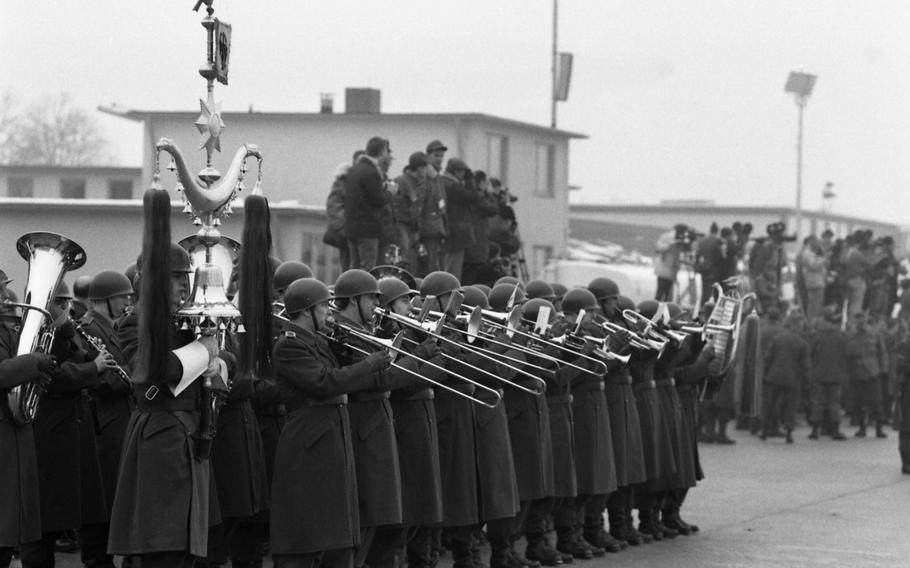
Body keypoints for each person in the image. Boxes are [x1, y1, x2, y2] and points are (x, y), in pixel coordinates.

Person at [107, 187, 223, 568]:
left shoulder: (186, 319)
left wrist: (218, 361)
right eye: (174, 278)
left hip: (190, 434)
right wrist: (203, 351)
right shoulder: (133, 323)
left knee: (185, 546)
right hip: (159, 432)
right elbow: (151, 375)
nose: (182, 285)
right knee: (160, 544)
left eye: (184, 277)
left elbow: (227, 362)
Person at [269, 277, 392, 568]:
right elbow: (325, 382)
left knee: (337, 533)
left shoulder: (317, 341)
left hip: (330, 436)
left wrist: (353, 347)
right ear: (307, 309)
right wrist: (370, 363)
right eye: (324, 306)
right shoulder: (289, 345)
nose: (330, 312)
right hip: (310, 439)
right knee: (310, 531)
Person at [0, 268, 57, 568]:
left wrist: (37, 376)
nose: (6, 298)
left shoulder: (7, 330)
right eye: (0, 292)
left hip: (15, 436)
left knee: (10, 533)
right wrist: (34, 362)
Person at [79, 270, 136, 567]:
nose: (128, 300)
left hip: (119, 422)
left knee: (115, 501)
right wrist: (129, 379)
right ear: (106, 299)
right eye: (122, 296)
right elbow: (105, 378)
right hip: (105, 425)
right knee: (101, 505)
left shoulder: (109, 327)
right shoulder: (89, 328)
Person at [760, 313, 810, 444]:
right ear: (798, 326)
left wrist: (765, 374)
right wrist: (804, 379)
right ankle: (789, 432)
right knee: (790, 405)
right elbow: (805, 365)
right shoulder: (802, 342)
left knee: (770, 403)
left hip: (774, 376)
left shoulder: (777, 339)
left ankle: (765, 430)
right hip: (792, 378)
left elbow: (768, 358)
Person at [345, 137, 393, 271]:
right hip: (367, 229)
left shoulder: (354, 169)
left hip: (352, 227)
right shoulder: (371, 172)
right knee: (367, 271)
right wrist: (389, 191)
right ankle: (366, 293)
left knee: (354, 270)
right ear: (382, 151)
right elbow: (377, 200)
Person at [808, 309, 849, 440]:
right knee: (834, 403)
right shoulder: (841, 336)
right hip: (836, 374)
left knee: (818, 402)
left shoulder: (817, 335)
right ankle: (835, 430)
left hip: (819, 373)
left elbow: (811, 352)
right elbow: (845, 354)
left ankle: (815, 430)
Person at [847, 312, 889, 438]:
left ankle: (879, 428)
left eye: (862, 320)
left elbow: (882, 352)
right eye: (858, 321)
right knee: (859, 402)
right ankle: (861, 427)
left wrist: (884, 368)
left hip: (873, 372)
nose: (860, 323)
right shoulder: (851, 336)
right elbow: (847, 356)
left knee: (876, 401)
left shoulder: (874, 334)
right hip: (857, 373)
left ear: (865, 321)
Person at [440, 159, 479, 280]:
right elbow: (473, 196)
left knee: (448, 269)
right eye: (462, 172)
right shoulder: (452, 186)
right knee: (452, 273)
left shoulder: (445, 182)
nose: (464, 175)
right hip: (456, 233)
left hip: (451, 231)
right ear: (456, 171)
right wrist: (471, 179)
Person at [393, 153, 429, 272]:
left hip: (413, 227)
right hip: (401, 225)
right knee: (404, 258)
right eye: (425, 167)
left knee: (416, 260)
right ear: (419, 168)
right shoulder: (399, 181)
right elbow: (391, 203)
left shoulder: (420, 183)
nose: (426, 171)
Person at [418, 141, 448, 276]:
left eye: (441, 156)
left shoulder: (437, 177)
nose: (440, 159)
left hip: (437, 229)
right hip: (428, 229)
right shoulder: (426, 177)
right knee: (429, 268)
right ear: (428, 156)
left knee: (436, 266)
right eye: (436, 155)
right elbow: (421, 204)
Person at [653, 225, 687, 302]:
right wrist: (671, 244)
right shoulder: (667, 238)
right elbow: (658, 248)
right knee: (660, 293)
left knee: (667, 295)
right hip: (664, 270)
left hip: (671, 272)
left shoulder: (680, 242)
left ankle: (662, 310)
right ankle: (656, 310)